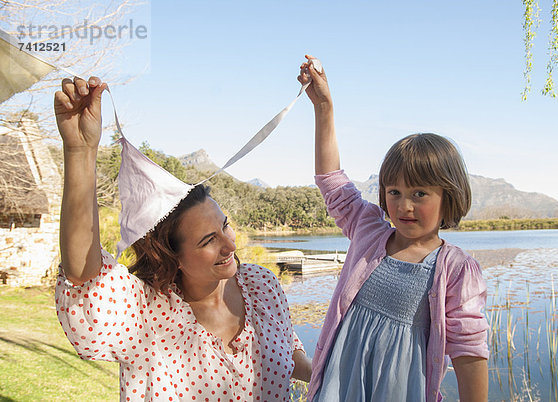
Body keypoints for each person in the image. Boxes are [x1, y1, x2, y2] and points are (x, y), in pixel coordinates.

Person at [53, 76, 312, 401]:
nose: (230, 245)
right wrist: (80, 151)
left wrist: (332, 375)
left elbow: (288, 352)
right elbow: (83, 276)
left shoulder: (262, 285)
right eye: (207, 241)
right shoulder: (143, 313)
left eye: (225, 226)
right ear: (170, 255)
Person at [298, 56, 489, 402]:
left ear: (449, 196)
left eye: (420, 193)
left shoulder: (456, 269)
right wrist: (324, 106)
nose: (404, 205)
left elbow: (469, 351)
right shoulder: (368, 230)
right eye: (395, 192)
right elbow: (332, 182)